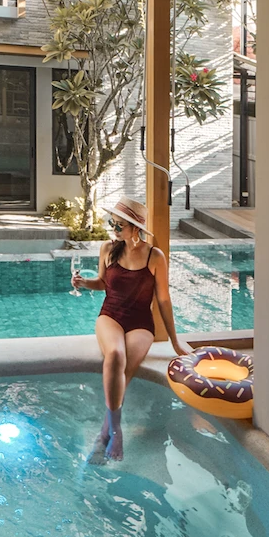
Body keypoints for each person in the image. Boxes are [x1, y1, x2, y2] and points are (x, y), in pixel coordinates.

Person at [71, 196, 191, 462]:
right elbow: (102, 283)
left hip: (140, 323)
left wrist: (174, 341)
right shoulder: (108, 249)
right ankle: (115, 428)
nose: (113, 229)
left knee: (126, 370)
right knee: (115, 355)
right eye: (112, 223)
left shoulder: (154, 256)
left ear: (136, 227)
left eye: (119, 225)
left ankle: (103, 435)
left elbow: (163, 300)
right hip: (110, 316)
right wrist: (83, 283)